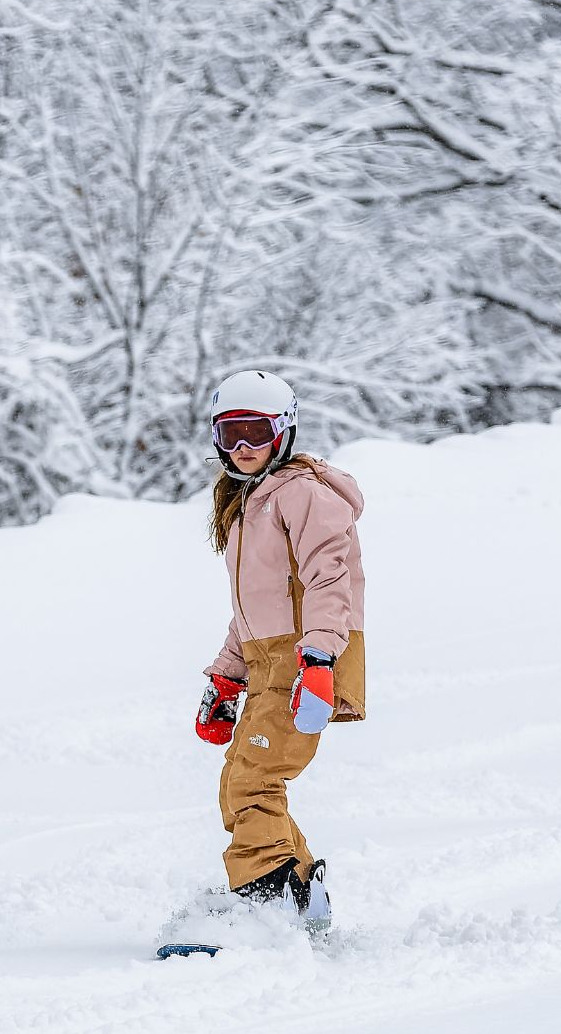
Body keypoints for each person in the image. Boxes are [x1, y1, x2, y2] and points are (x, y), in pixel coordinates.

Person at [193, 369, 367, 921]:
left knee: (254, 778)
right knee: (240, 780)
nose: (243, 448)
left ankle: (264, 902)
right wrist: (227, 677)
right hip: (271, 662)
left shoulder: (304, 496)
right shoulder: (249, 505)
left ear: (284, 432)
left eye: (257, 432)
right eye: (230, 433)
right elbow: (253, 608)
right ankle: (294, 892)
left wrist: (318, 661)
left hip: (308, 658)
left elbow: (328, 581)